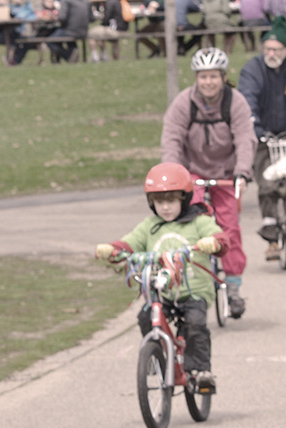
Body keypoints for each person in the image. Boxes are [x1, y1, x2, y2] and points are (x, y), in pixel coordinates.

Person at [95, 162, 228, 392]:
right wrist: (112, 248)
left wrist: (213, 242)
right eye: (159, 202)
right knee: (146, 317)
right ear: (151, 203)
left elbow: (221, 239)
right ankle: (157, 358)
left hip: (193, 291)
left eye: (171, 201)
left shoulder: (199, 222)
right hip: (162, 292)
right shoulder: (150, 226)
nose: (165, 207)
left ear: (184, 199)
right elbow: (130, 243)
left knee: (195, 324)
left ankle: (200, 371)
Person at [161, 47, 255, 317]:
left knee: (229, 228)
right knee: (188, 224)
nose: (208, 82)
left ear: (223, 77)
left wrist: (242, 173)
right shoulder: (183, 102)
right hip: (193, 173)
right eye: (203, 77)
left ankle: (234, 287)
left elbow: (245, 139)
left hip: (226, 174)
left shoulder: (235, 101)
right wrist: (174, 174)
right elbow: (171, 139)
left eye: (213, 76)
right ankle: (186, 280)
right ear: (196, 78)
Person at [238, 16, 286, 262]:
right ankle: (271, 235)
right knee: (267, 183)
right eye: (268, 48)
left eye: (277, 49)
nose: (272, 53)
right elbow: (247, 99)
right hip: (264, 136)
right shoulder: (253, 69)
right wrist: (256, 127)